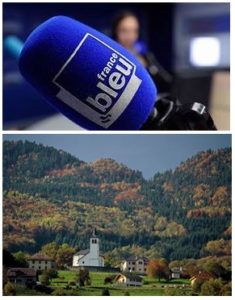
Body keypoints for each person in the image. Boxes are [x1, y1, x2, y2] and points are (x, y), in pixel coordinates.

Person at [112, 11, 173, 93]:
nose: (130, 36)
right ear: (115, 31)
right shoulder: (110, 57)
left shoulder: (145, 56)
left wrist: (148, 66)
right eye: (124, 30)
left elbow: (166, 80)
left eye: (134, 31)